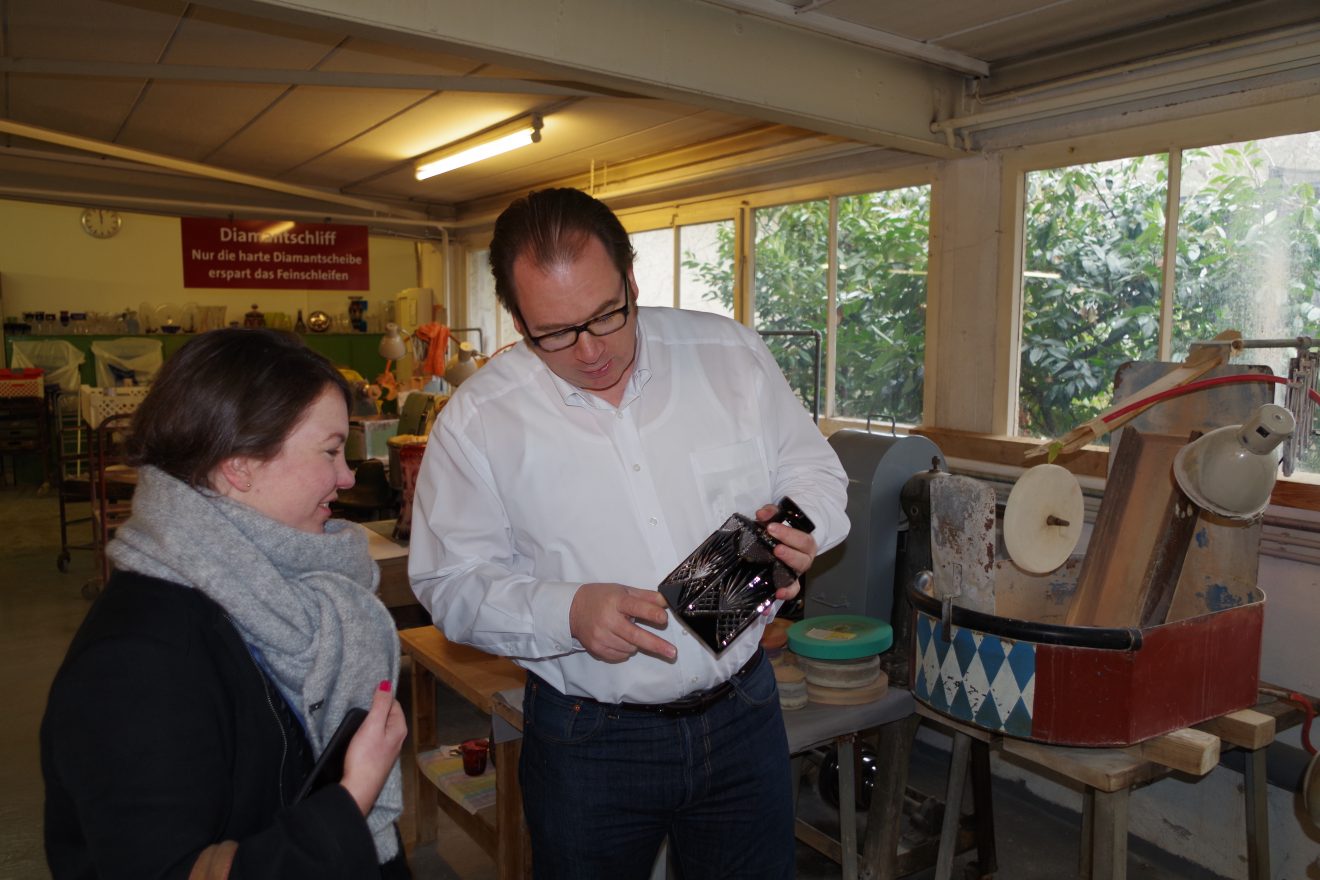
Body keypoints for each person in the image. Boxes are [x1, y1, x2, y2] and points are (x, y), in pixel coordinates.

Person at [409, 187, 849, 878]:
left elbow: (811, 468)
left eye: (607, 316)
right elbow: (449, 584)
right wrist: (567, 611)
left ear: (632, 281)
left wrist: (800, 526)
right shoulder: (479, 422)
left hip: (744, 715)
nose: (589, 351)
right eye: (553, 332)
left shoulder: (726, 355)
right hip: (589, 740)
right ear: (517, 321)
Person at [42, 328, 410, 879]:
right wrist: (352, 796)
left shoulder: (275, 590)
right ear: (240, 465)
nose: (347, 475)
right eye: (332, 450)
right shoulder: (137, 660)